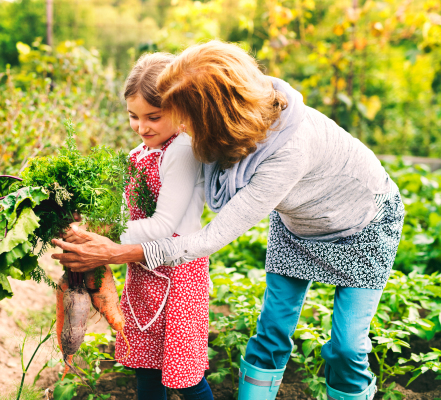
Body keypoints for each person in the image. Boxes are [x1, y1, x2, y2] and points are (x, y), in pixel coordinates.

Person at [52, 41, 404, 400]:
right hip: (298, 224)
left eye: (185, 115)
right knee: (271, 333)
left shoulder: (289, 151)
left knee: (346, 349)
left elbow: (207, 239)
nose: (181, 127)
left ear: (215, 112)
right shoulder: (231, 121)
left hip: (363, 225)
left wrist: (111, 251)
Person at [92, 52, 214, 400]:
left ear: (182, 109)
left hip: (177, 274)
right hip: (145, 268)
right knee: (147, 367)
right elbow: (127, 211)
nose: (142, 127)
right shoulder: (145, 149)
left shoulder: (182, 150)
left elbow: (162, 226)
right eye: (134, 116)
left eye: (154, 117)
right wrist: (101, 224)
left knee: (185, 375)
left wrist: (108, 240)